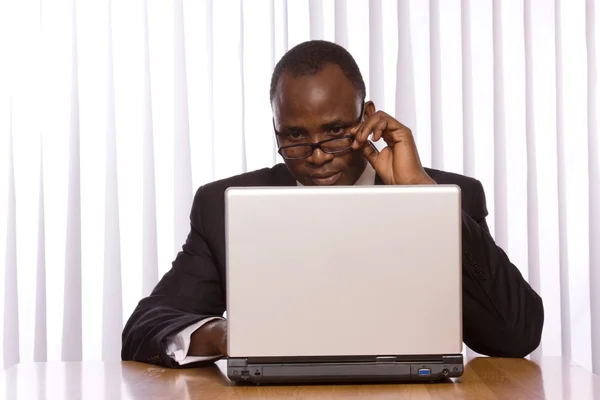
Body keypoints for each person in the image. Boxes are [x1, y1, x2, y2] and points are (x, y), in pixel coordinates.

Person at [121, 40, 544, 368]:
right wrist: (225, 335)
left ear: (370, 118)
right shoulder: (222, 206)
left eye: (336, 130)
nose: (318, 154)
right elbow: (146, 325)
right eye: (295, 136)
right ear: (276, 130)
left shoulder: (450, 195)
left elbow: (517, 334)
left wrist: (423, 195)